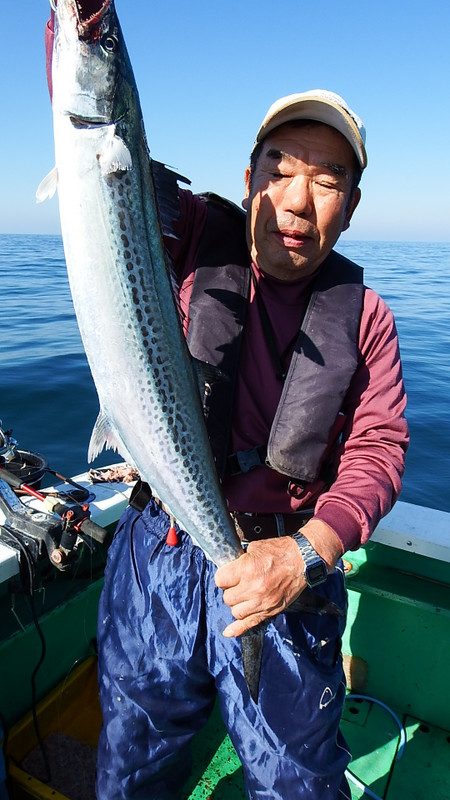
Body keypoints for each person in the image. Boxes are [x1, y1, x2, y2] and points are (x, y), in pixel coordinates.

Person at [92, 88, 408, 800]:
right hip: (160, 548)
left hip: (280, 566)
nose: (298, 202)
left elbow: (380, 447)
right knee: (135, 756)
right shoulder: (188, 237)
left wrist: (309, 552)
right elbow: (109, 165)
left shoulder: (367, 320)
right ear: (247, 182)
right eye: (280, 170)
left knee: (295, 775)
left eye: (328, 182)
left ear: (352, 208)